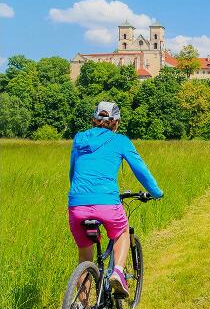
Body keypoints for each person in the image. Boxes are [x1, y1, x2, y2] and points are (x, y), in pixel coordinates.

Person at [68, 101, 163, 297]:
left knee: (85, 257)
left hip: (77, 204)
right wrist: (156, 192)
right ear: (116, 122)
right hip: (107, 203)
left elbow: (72, 172)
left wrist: (80, 196)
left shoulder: (79, 139)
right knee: (122, 232)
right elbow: (141, 171)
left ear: (94, 120)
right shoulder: (120, 141)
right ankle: (118, 272)